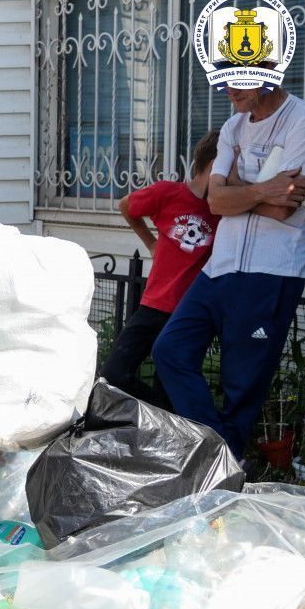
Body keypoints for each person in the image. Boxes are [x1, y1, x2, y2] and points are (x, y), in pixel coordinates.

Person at [153, 82, 305, 461]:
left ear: (269, 72)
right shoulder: (234, 127)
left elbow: (286, 209)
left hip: (272, 271)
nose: (228, 89)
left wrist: (237, 187)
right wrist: (261, 191)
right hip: (219, 267)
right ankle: (217, 452)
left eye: (239, 81)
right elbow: (215, 201)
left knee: (242, 387)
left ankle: (218, 475)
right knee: (170, 349)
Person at [99, 130, 221, 408]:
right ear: (215, 165)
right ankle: (156, 411)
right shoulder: (168, 193)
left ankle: (160, 426)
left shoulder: (222, 211)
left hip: (189, 314)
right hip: (154, 305)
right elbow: (127, 206)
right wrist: (151, 242)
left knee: (169, 384)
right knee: (114, 373)